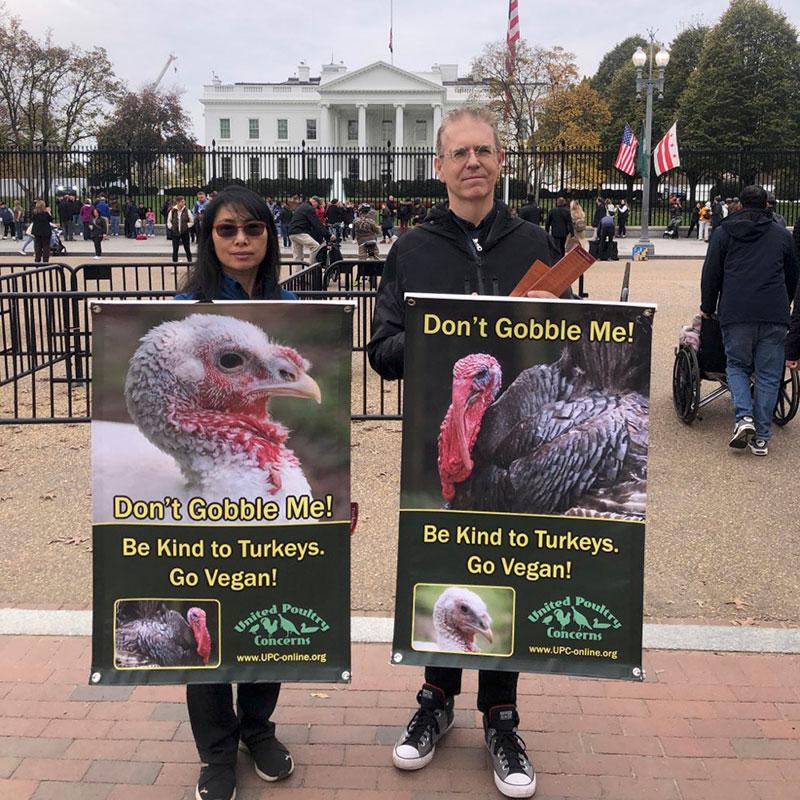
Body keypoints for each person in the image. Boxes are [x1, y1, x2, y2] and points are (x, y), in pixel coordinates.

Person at [368, 106, 564, 800]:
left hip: (513, 448)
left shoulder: (535, 241)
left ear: (501, 161)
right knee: (443, 568)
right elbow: (382, 352)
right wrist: (442, 333)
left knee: (507, 564)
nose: (473, 163)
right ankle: (434, 699)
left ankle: (501, 715)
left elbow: (579, 339)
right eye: (460, 153)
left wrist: (550, 314)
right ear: (439, 165)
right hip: (441, 443)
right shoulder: (414, 250)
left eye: (485, 151)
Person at [174, 187, 296, 800]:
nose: (242, 239)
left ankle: (258, 727)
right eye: (227, 230)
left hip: (263, 483)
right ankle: (216, 751)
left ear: (269, 235)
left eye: (253, 228)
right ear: (209, 238)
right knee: (206, 611)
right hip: (207, 487)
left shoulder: (293, 305)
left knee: (265, 604)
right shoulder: (185, 312)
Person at [700, 185, 799, 456]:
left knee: (737, 365)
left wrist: (707, 307)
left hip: (737, 309)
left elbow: (711, 274)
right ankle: (762, 437)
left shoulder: (723, 233)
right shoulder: (781, 235)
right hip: (774, 312)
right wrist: (785, 302)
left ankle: (744, 417)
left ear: (740, 205)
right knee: (768, 374)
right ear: (767, 205)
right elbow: (793, 274)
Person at [288, 195, 333, 262]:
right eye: (317, 206)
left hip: (292, 232)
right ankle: (311, 268)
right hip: (300, 231)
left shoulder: (302, 206)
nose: (316, 208)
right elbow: (317, 223)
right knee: (315, 246)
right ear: (314, 202)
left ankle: (299, 272)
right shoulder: (309, 208)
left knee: (298, 256)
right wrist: (328, 235)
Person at [167, 196, 194, 262]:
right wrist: (171, 227)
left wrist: (186, 226)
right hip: (175, 232)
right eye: (182, 201)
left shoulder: (187, 211)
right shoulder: (172, 211)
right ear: (178, 202)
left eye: (184, 201)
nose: (183, 203)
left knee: (187, 249)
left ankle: (189, 263)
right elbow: (169, 221)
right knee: (175, 250)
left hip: (185, 232)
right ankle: (174, 265)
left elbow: (191, 221)